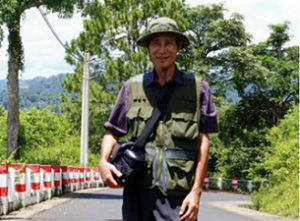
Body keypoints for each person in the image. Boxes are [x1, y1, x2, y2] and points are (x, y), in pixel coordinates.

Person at [98, 17, 218, 221]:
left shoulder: (198, 89)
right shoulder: (131, 87)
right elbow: (113, 132)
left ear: (178, 47)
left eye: (168, 43)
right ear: (147, 48)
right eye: (156, 43)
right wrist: (102, 162)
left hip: (178, 198)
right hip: (137, 194)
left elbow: (202, 141)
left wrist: (196, 191)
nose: (162, 50)